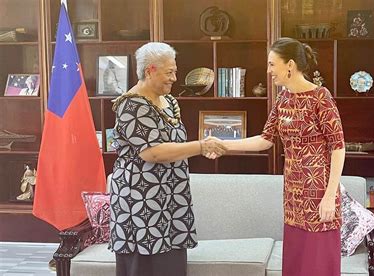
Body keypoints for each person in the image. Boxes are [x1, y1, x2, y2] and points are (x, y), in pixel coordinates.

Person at [222, 37, 345, 275]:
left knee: (317, 265)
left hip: (319, 194)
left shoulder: (321, 97)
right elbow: (265, 140)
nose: (268, 71)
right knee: (296, 264)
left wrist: (330, 196)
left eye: (271, 64)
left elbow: (338, 147)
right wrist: (225, 145)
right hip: (293, 196)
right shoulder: (283, 99)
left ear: (289, 64)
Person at [109, 42, 227, 276]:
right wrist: (201, 146)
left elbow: (176, 144)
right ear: (150, 70)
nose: (174, 78)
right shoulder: (130, 105)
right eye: (169, 72)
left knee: (171, 267)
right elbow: (153, 152)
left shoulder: (170, 102)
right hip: (140, 204)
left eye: (175, 71)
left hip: (172, 202)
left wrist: (201, 147)